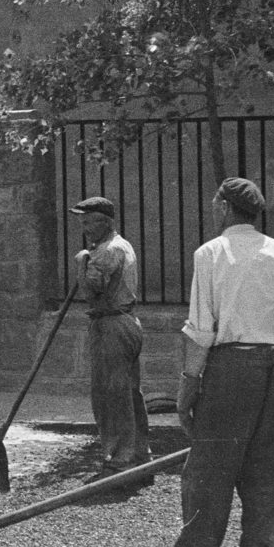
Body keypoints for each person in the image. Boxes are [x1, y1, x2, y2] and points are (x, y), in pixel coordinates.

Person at [142, 178, 274, 547]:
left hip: (229, 372)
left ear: (223, 207)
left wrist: (188, 386)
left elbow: (200, 330)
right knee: (264, 479)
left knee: (207, 478)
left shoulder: (211, 253)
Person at [70, 196, 151, 482]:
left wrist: (81, 262)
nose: (84, 226)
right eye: (82, 221)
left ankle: (119, 463)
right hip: (125, 322)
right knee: (128, 393)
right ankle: (140, 458)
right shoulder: (121, 245)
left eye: (90, 221)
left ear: (106, 222)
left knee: (111, 395)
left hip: (111, 325)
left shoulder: (106, 251)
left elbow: (91, 291)